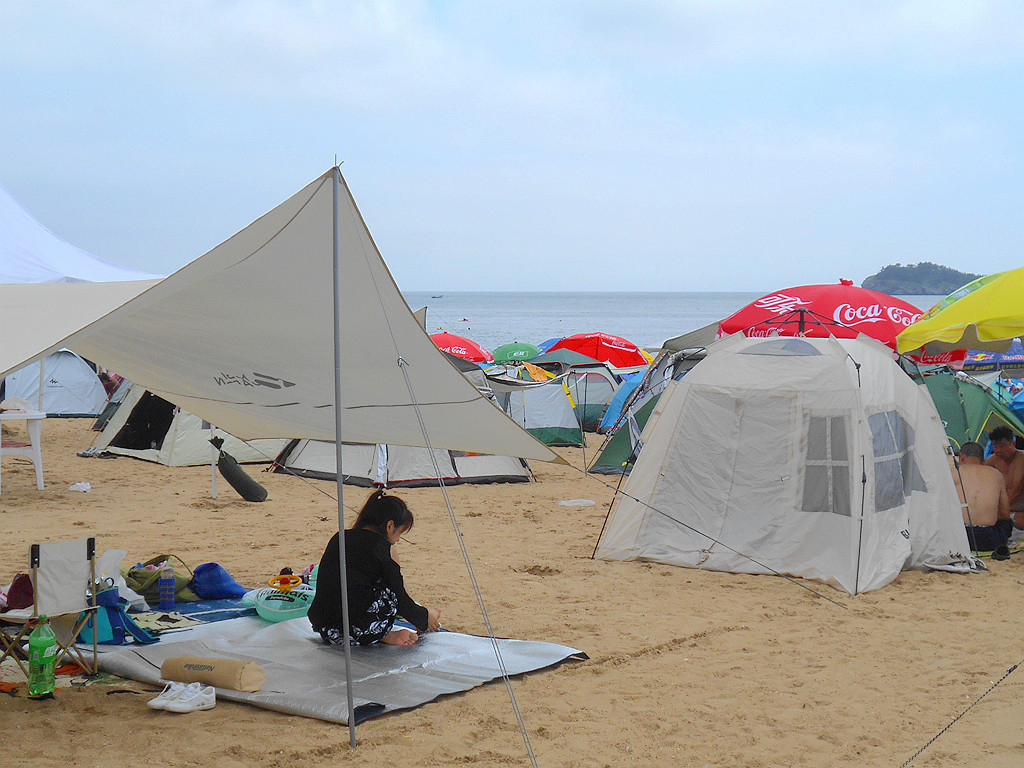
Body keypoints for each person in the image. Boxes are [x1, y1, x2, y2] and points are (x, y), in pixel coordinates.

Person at [308, 490, 441, 647]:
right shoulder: (383, 548)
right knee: (389, 589)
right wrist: (425, 619)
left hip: (327, 629)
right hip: (359, 631)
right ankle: (381, 633)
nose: (398, 539)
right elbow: (400, 597)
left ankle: (383, 634)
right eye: (400, 533)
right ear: (390, 526)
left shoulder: (340, 537)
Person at [954, 442, 1012, 557]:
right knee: (1007, 523)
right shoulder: (996, 474)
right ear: (983, 461)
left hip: (958, 538)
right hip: (988, 540)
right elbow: (1005, 514)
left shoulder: (953, 472)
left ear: (962, 458)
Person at [983, 425, 1024, 529]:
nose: (998, 451)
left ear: (1013, 444)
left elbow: (1016, 490)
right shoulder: (993, 459)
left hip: (1019, 511)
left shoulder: (1021, 459)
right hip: (1003, 513)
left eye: (1002, 446)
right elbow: (977, 472)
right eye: (995, 447)